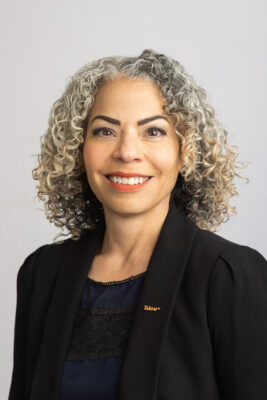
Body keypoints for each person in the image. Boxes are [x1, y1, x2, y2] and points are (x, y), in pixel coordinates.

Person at [8, 49, 267, 400]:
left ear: (186, 151)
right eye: (104, 131)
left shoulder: (228, 275)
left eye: (154, 132)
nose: (127, 152)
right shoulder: (42, 274)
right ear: (77, 149)